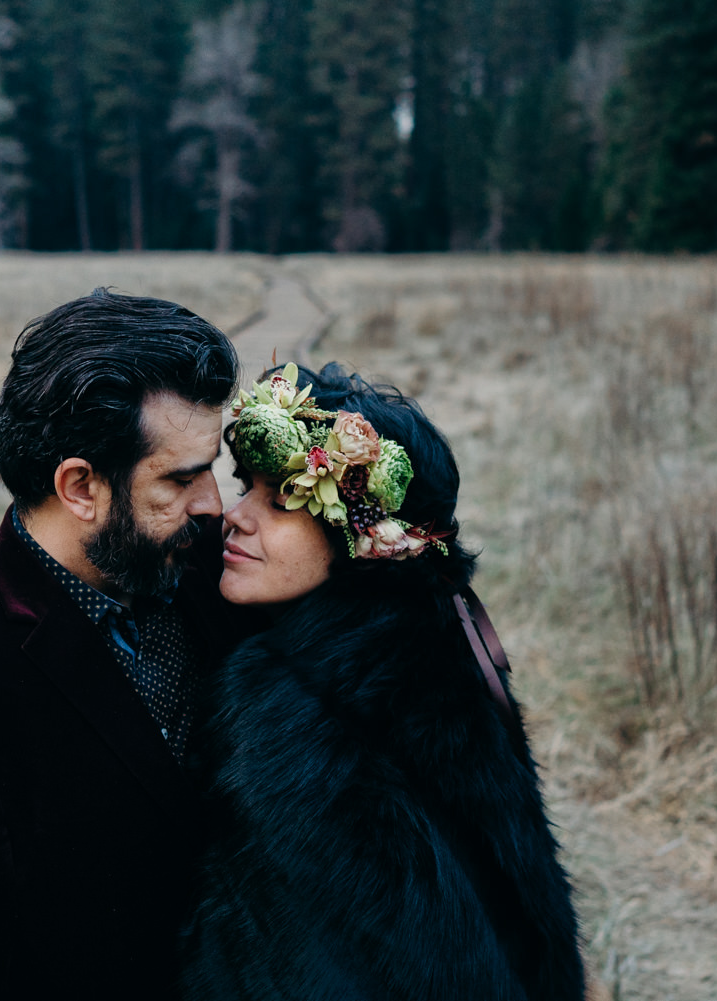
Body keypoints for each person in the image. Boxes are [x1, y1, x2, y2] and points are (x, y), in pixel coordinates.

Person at [0, 289, 242, 1000]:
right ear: (80, 487)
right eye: (181, 478)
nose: (214, 504)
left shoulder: (213, 567)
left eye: (211, 468)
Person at [182, 362, 586, 1001]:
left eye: (285, 497)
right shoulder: (437, 640)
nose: (235, 515)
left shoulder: (291, 713)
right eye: (246, 486)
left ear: (365, 535)